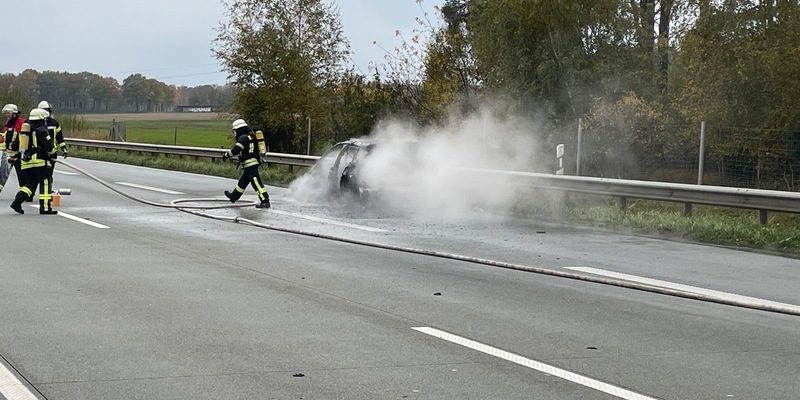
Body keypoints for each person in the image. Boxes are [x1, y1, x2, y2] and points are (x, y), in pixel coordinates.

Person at [10, 108, 57, 215]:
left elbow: (15, 146)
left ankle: (17, 202)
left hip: (26, 163)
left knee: (30, 184)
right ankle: (45, 208)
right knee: (45, 183)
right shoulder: (42, 130)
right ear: (41, 118)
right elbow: (49, 147)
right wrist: (53, 154)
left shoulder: (24, 130)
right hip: (40, 162)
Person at [222, 119, 270, 208]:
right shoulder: (252, 136)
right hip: (252, 163)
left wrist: (226, 155)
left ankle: (265, 201)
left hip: (250, 164)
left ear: (238, 130)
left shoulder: (243, 138)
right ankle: (233, 197)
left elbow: (235, 150)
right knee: (242, 182)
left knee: (256, 183)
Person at [37, 100, 68, 193]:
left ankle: (48, 190)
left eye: (48, 110)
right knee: (40, 174)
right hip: (40, 153)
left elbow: (59, 138)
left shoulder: (54, 123)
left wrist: (64, 149)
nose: (47, 112)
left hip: (52, 153)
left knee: (49, 173)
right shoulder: (36, 124)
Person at [1, 104, 26, 195]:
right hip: (8, 154)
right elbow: (4, 139)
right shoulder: (8, 124)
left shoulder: (22, 123)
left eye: (8, 113)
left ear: (14, 113)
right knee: (2, 174)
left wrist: (20, 153)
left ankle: (25, 194)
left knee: (22, 175)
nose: (6, 115)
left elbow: (23, 138)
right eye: (6, 113)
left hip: (19, 154)